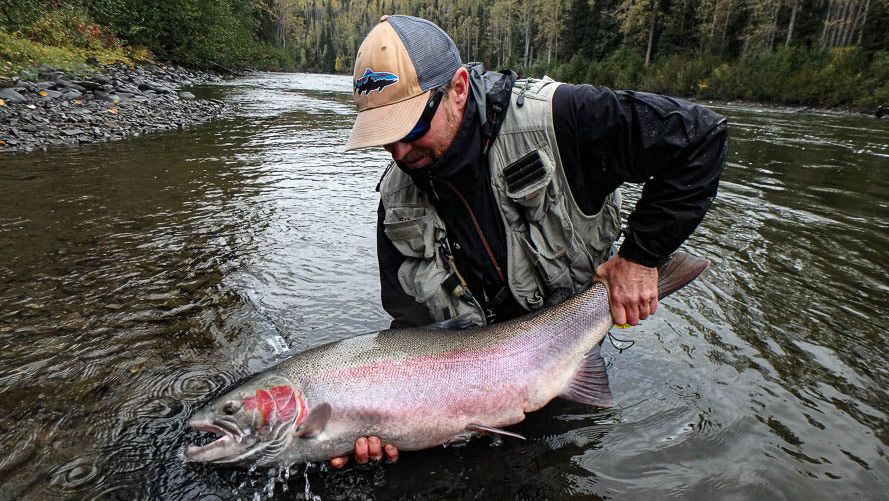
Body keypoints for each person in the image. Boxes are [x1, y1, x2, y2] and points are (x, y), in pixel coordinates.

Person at [331, 15, 728, 468]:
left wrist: (640, 258)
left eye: (410, 127)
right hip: (466, 383)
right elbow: (409, 327)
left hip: (569, 344)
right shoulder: (395, 199)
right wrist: (386, 419)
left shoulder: (561, 118)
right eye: (384, 138)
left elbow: (700, 137)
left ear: (458, 88)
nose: (399, 152)